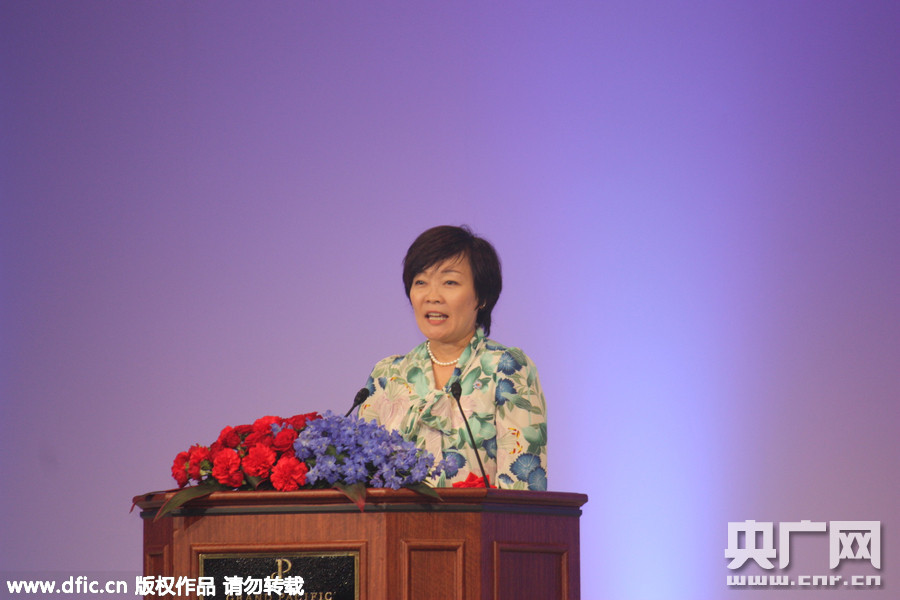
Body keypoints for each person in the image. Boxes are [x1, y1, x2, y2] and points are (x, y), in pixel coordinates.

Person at [359, 225, 547, 490]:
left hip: (480, 519)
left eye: (450, 282)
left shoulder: (506, 368)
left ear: (481, 296)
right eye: (420, 282)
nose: (432, 296)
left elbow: (522, 488)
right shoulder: (386, 375)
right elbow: (363, 478)